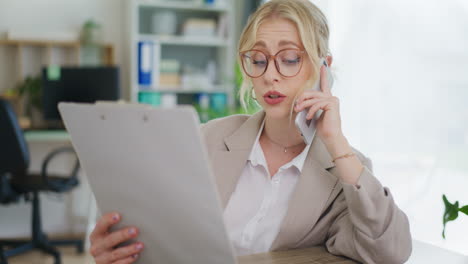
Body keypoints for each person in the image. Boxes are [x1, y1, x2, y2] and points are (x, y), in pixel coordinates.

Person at [89, 0, 412, 263]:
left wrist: (336, 142)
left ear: (322, 66)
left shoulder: (345, 171)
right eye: (258, 60)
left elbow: (388, 253)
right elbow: (159, 231)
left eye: (288, 59)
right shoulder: (208, 139)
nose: (270, 75)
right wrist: (119, 247)